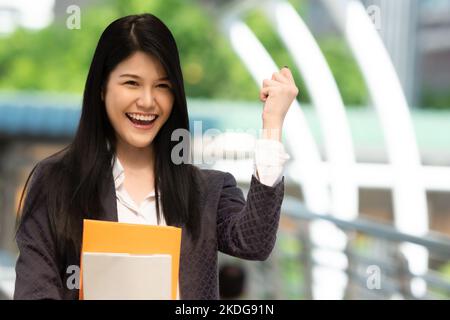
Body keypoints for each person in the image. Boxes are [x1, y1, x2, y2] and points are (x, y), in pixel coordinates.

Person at [13, 13, 298, 300]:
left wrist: (272, 124)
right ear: (101, 88)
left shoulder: (206, 191)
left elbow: (254, 242)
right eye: (131, 83)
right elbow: (34, 292)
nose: (148, 101)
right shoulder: (56, 184)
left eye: (162, 86)